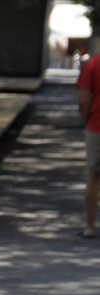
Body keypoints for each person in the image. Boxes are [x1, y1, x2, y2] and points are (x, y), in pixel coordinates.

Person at [77, 52, 100, 238]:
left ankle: (90, 227)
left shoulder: (93, 63)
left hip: (97, 126)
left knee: (94, 177)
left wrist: (87, 121)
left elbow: (83, 100)